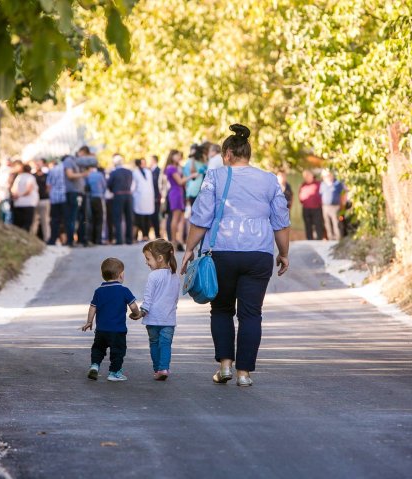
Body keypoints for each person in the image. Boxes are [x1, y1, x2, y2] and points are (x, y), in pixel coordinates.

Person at [181, 124, 290, 387]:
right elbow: (281, 220)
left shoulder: (215, 177)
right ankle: (244, 374)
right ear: (247, 154)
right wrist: (284, 253)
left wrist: (188, 250)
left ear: (227, 154)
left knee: (221, 309)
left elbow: (201, 217)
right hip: (259, 254)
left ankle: (225, 367)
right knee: (251, 314)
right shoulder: (269, 179)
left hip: (223, 253)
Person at [81, 258, 142, 382]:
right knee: (118, 351)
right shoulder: (124, 291)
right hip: (117, 330)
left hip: (101, 330)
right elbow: (133, 306)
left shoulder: (98, 291)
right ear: (120, 275)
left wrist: (89, 322)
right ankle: (114, 372)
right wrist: (137, 314)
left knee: (98, 348)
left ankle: (94, 366)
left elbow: (92, 307)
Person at [139, 239, 180, 381]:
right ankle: (164, 368)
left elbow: (148, 298)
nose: (146, 262)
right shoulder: (175, 276)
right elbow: (175, 299)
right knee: (166, 344)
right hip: (169, 319)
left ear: (160, 258)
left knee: (155, 344)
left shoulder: (153, 276)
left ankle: (157, 369)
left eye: (148, 258)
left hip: (153, 318)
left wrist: (142, 311)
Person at [165, 149, 197, 251]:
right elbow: (180, 182)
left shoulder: (177, 167)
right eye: (177, 155)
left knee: (180, 218)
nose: (179, 157)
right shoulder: (171, 168)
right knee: (175, 217)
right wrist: (191, 176)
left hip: (179, 193)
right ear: (172, 156)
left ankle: (177, 240)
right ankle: (173, 241)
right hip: (175, 193)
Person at [107, 154, 135, 245]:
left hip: (118, 195)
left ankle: (119, 240)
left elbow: (109, 185)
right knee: (129, 218)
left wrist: (114, 190)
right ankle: (129, 239)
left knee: (118, 218)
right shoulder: (129, 171)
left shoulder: (113, 172)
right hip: (128, 195)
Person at [62, 154, 87, 247]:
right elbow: (70, 175)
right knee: (72, 217)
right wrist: (83, 174)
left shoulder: (78, 163)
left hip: (78, 192)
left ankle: (81, 239)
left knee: (80, 217)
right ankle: (70, 240)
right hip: (73, 193)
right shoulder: (69, 161)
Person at [10, 161, 39, 232]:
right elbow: (29, 190)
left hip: (18, 203)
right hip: (28, 203)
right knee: (27, 223)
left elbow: (13, 189)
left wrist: (16, 196)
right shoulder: (30, 177)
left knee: (19, 223)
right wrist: (20, 195)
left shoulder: (19, 177)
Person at [320, 168, 347, 241]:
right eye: (325, 176)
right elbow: (321, 194)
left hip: (335, 206)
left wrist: (342, 205)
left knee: (336, 223)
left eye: (328, 175)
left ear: (331, 175)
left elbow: (343, 194)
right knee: (327, 224)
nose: (327, 177)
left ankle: (338, 239)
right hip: (325, 207)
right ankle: (330, 238)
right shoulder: (323, 184)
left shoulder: (337, 183)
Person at [132, 158, 155, 241]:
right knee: (139, 217)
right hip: (139, 197)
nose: (144, 164)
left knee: (147, 217)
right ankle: (140, 235)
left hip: (148, 197)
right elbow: (133, 185)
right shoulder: (135, 173)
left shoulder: (148, 172)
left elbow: (150, 184)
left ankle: (146, 234)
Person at [299, 169, 325, 240]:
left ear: (312, 175)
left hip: (316, 208)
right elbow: (300, 195)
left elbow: (322, 195)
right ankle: (309, 240)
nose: (306, 177)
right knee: (308, 225)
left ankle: (319, 239)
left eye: (308, 175)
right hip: (306, 208)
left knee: (318, 225)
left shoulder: (318, 184)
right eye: (305, 176)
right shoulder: (303, 185)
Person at [46, 157, 67, 245]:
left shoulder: (52, 170)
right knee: (66, 220)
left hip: (54, 198)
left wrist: (50, 195)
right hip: (65, 197)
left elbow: (48, 185)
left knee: (54, 220)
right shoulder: (67, 170)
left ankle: (53, 239)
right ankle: (66, 240)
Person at [30, 159, 51, 243]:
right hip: (35, 200)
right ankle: (32, 239)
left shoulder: (46, 175)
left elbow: (48, 187)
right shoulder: (32, 176)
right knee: (34, 221)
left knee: (45, 220)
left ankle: (47, 239)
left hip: (44, 200)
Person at [86, 164, 107, 245]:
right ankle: (98, 240)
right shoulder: (100, 175)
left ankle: (91, 239)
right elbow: (104, 186)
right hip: (99, 198)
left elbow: (86, 187)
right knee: (99, 219)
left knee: (91, 219)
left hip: (90, 198)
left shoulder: (88, 175)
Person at [149, 155, 164, 239]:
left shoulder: (158, 170)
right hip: (151, 196)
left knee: (156, 216)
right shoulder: (150, 170)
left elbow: (158, 184)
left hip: (156, 196)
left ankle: (157, 234)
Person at [0, 157, 14, 224]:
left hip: (3, 194)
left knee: (4, 211)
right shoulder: (9, 171)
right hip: (4, 194)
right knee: (6, 212)